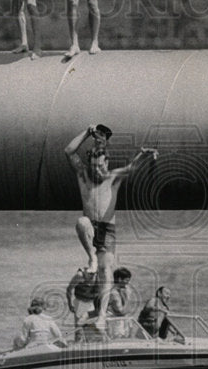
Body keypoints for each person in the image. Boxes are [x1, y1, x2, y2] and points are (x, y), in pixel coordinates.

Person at [64, 125, 157, 329]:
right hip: (90, 227)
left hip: (107, 231)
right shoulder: (83, 176)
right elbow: (69, 151)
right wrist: (87, 133)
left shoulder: (113, 177)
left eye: (100, 166)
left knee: (107, 271)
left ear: (107, 163)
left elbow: (132, 168)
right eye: (94, 166)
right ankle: (91, 258)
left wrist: (143, 155)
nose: (97, 170)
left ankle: (101, 317)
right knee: (82, 222)